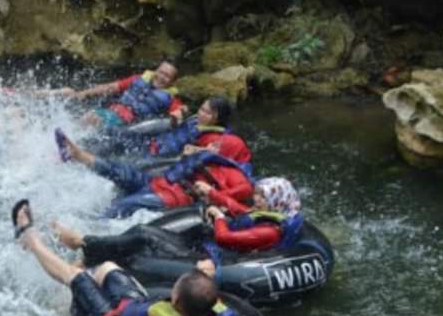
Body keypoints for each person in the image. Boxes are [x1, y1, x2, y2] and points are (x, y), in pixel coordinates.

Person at [11, 201, 238, 316]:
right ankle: (73, 301)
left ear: (176, 299)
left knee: (75, 275)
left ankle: (30, 240)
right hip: (133, 305)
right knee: (108, 267)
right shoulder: (211, 314)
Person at [47, 176, 303, 271]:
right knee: (141, 231)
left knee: (145, 237)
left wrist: (220, 218)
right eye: (257, 194)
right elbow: (241, 209)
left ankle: (81, 242)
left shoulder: (268, 230)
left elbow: (226, 239)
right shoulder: (265, 214)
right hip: (203, 242)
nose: (255, 198)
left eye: (261, 196)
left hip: (212, 257)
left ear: (275, 202)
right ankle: (85, 257)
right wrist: (214, 197)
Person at [55, 126, 255, 218]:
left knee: (126, 204)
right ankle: (77, 154)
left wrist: (210, 192)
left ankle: (82, 227)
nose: (211, 147)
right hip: (161, 183)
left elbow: (238, 205)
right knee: (119, 170)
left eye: (217, 147)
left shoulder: (240, 181)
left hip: (175, 198)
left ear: (229, 153)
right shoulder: (209, 160)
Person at [45, 61, 185, 129]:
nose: (161, 77)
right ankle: (67, 137)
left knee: (91, 117)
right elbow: (111, 87)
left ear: (173, 81)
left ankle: (69, 141)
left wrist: (181, 113)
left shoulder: (171, 99)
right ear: (155, 71)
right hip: (112, 113)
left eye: (167, 76)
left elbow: (179, 113)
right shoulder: (137, 79)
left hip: (129, 125)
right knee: (88, 116)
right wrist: (83, 93)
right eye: (160, 72)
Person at [93, 96, 235, 160]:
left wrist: (202, 150)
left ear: (218, 118)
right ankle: (78, 152)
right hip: (152, 145)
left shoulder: (213, 137)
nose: (200, 113)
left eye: (207, 112)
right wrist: (179, 113)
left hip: (159, 158)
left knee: (117, 155)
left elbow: (216, 153)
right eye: (201, 109)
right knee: (115, 138)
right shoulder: (195, 120)